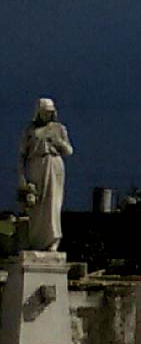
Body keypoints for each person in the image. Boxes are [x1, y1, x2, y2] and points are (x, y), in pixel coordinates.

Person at [17, 99, 71, 253]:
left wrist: (58, 142)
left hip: (53, 165)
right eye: (45, 112)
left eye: (50, 112)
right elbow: (22, 154)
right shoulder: (30, 129)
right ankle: (36, 241)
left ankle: (53, 239)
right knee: (36, 204)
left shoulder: (59, 128)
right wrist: (22, 178)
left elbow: (69, 150)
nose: (47, 115)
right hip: (35, 165)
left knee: (52, 203)